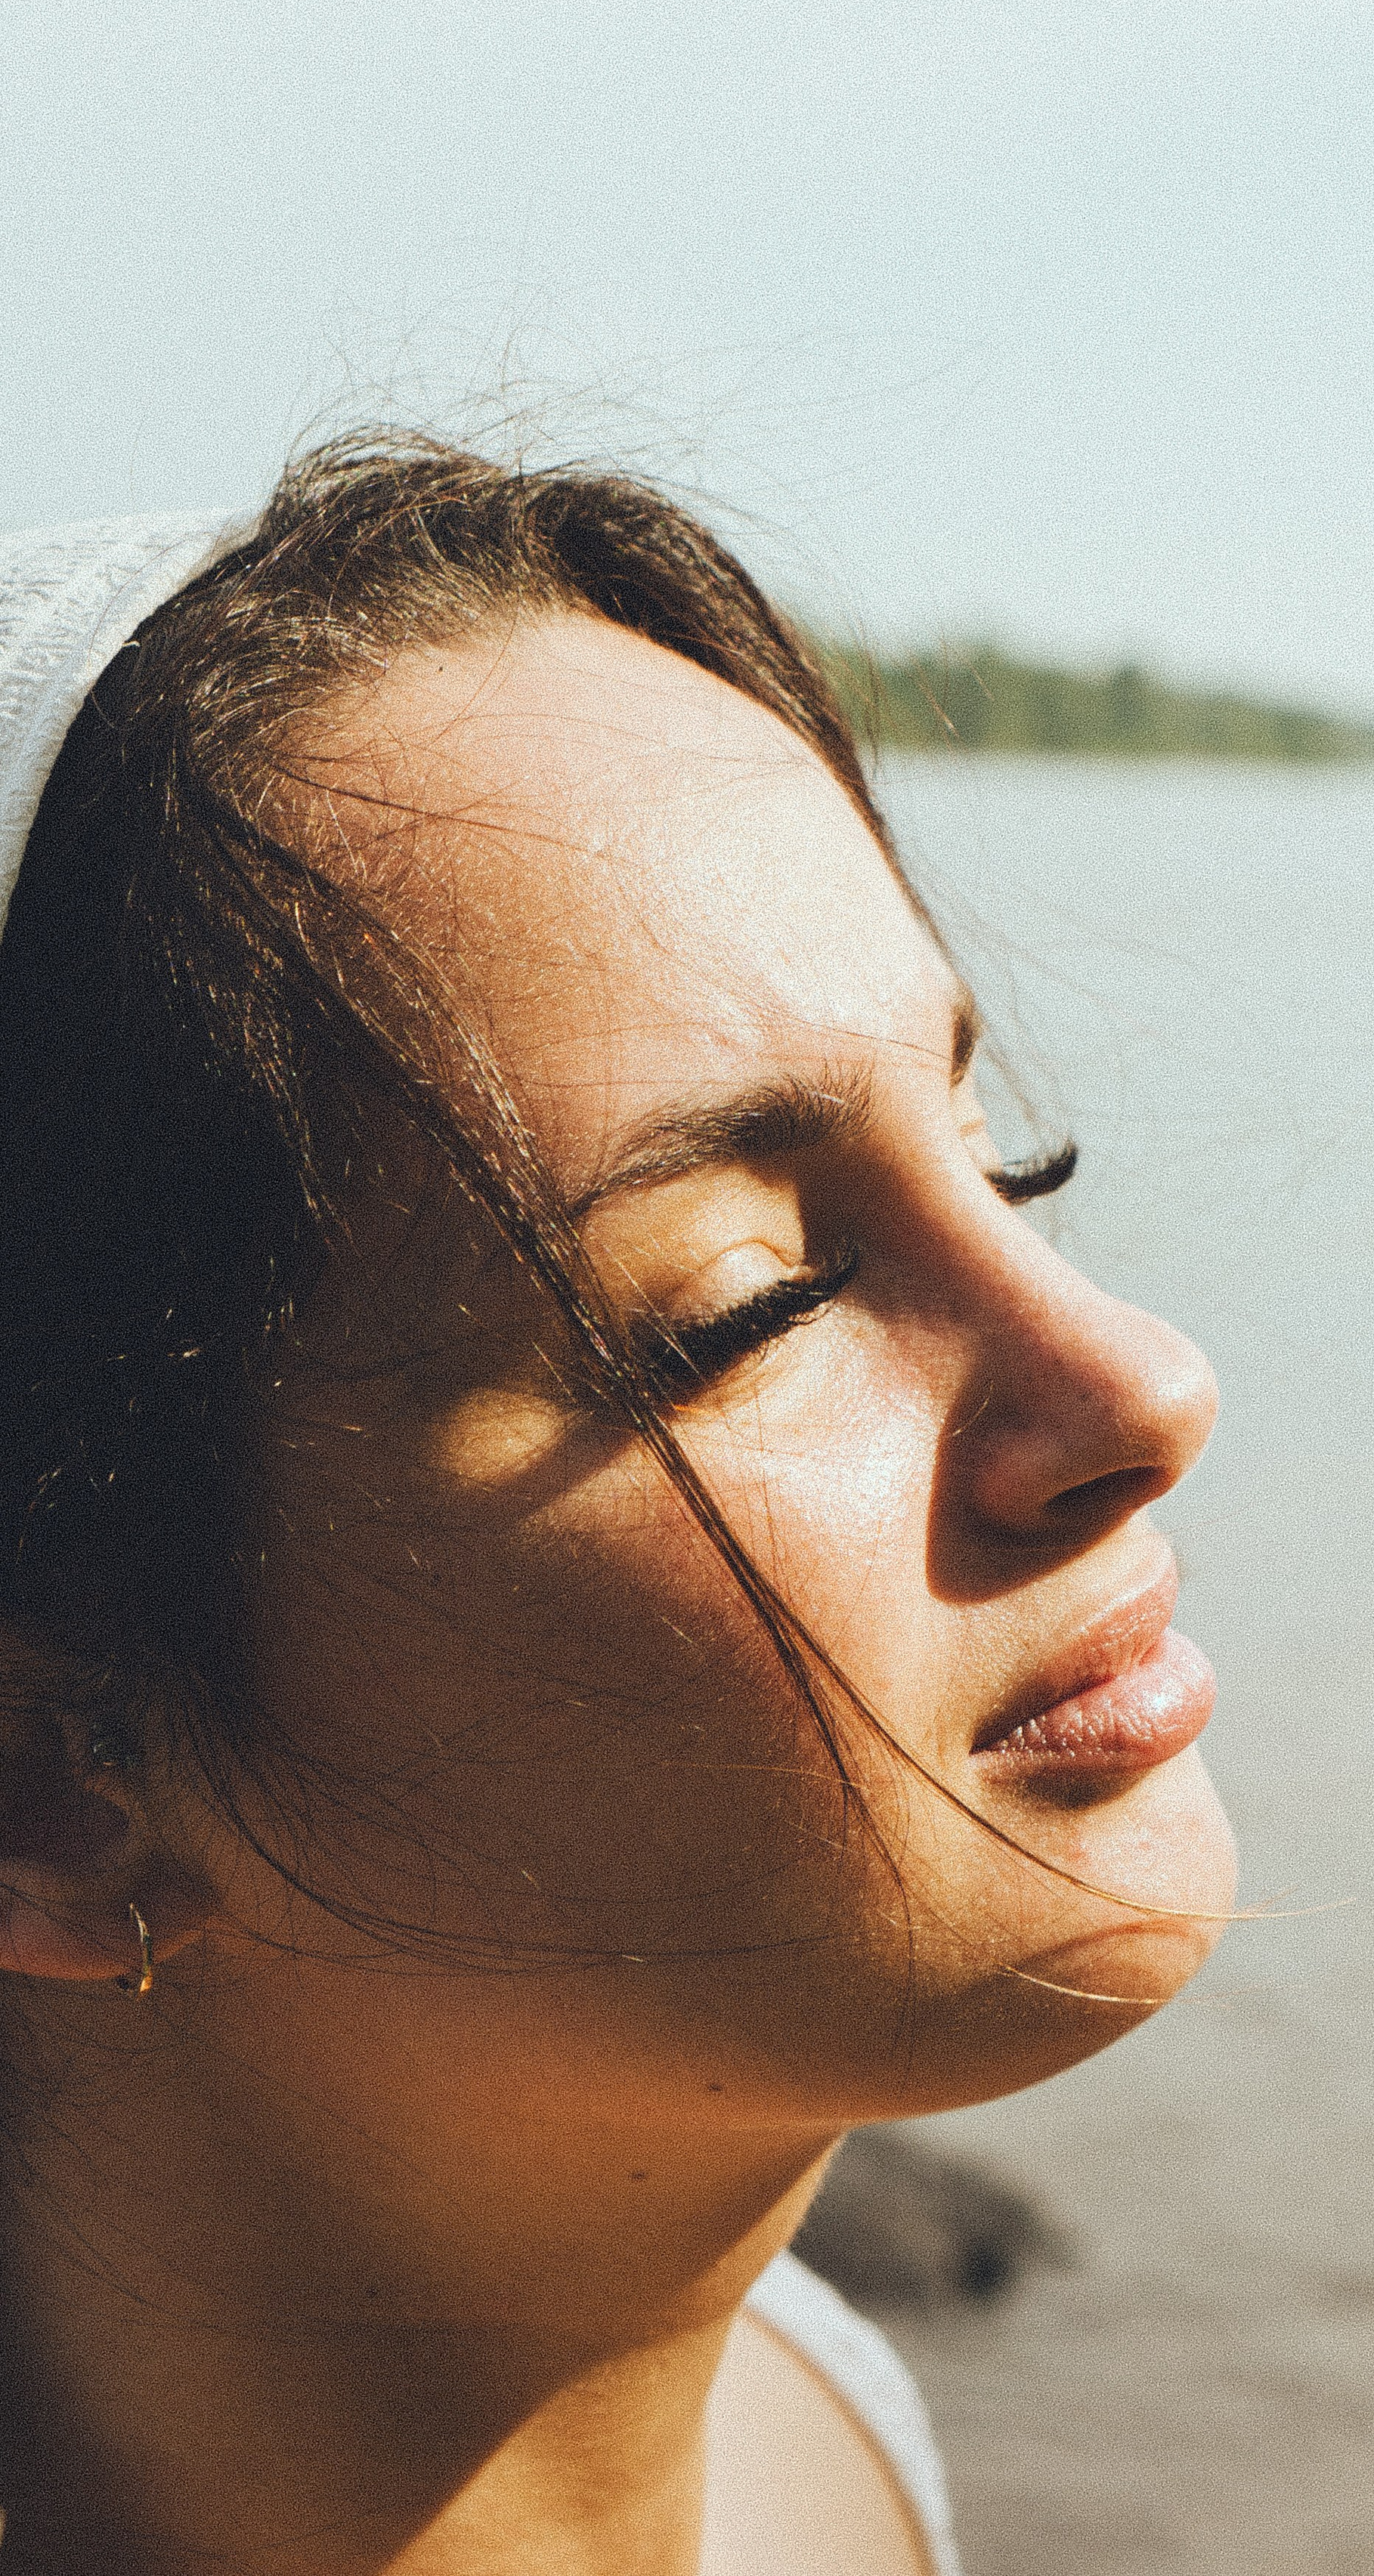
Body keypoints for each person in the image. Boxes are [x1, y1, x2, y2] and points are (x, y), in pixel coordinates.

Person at [0, 439, 1235, 2574]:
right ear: (50, 1787)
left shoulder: (817, 2427)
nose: (1141, 1383)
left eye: (997, 1156)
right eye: (740, 1315)